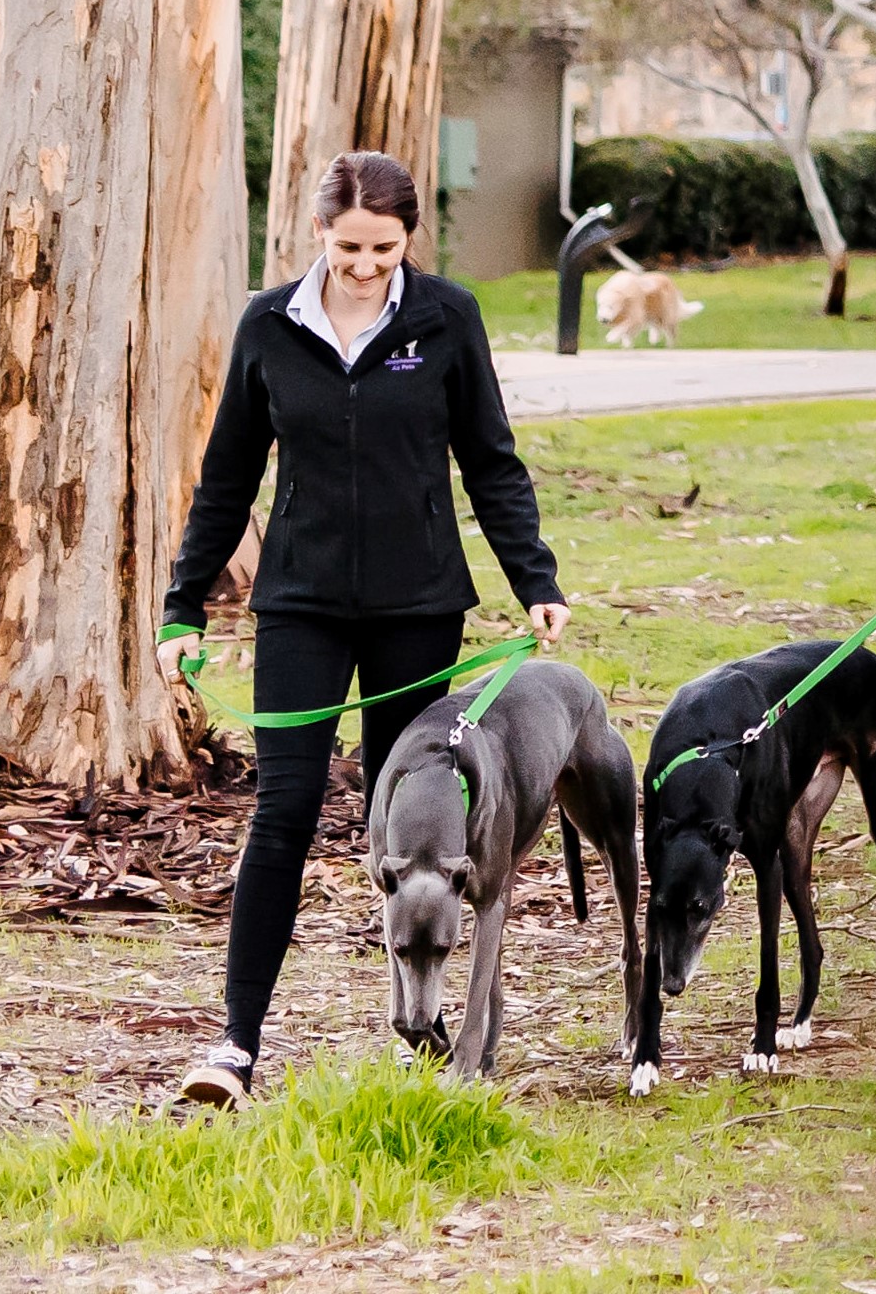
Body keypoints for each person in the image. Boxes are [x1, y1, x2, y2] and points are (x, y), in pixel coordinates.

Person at [158, 151, 569, 1107]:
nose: (365, 264)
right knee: (285, 811)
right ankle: (234, 1047)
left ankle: (416, 1035)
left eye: (384, 247)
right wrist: (184, 606)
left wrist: (533, 578)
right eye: (348, 247)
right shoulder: (269, 325)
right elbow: (225, 482)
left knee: (413, 828)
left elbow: (491, 462)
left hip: (418, 609)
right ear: (318, 233)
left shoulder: (445, 318)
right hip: (298, 605)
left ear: (408, 238)